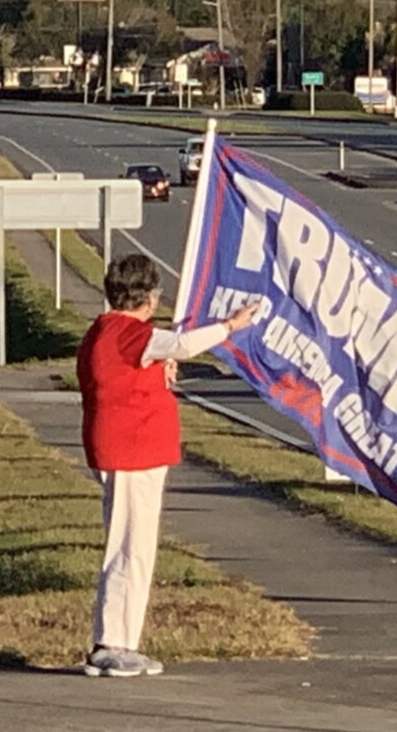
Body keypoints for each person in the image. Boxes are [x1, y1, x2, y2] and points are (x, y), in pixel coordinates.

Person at [77, 253, 258, 678]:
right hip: (131, 452)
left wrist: (160, 367)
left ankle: (120, 640)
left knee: (133, 547)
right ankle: (112, 642)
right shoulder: (126, 332)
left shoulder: (111, 334)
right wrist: (230, 326)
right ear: (149, 298)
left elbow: (154, 358)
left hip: (131, 451)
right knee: (130, 548)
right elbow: (180, 343)